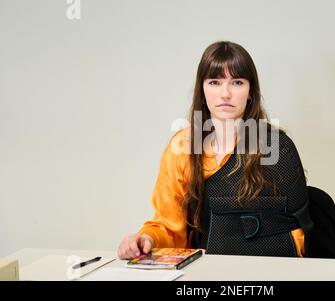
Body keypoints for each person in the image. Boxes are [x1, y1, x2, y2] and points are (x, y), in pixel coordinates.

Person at [117, 41, 313, 260]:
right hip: (203, 272)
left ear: (250, 92)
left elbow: (300, 235)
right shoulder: (182, 147)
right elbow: (169, 226)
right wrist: (147, 239)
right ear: (202, 89)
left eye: (237, 82)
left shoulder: (276, 148)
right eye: (215, 82)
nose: (225, 93)